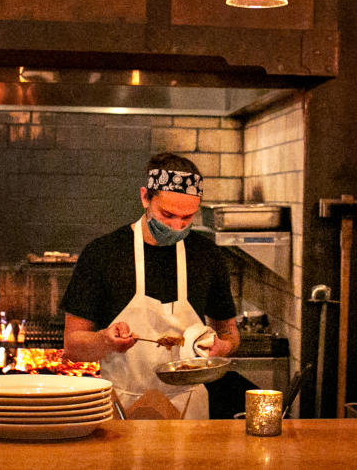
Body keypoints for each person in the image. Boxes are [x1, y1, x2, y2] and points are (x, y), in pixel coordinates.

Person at [61, 152, 239, 419]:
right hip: (119, 408)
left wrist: (222, 348)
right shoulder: (103, 253)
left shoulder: (207, 255)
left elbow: (229, 332)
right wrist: (105, 341)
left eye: (187, 217)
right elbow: (73, 346)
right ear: (145, 197)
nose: (176, 225)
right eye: (167, 214)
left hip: (189, 409)